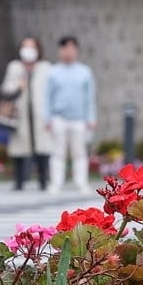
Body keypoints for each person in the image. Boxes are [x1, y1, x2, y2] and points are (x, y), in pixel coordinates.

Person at [45, 36, 96, 193]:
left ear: (76, 50)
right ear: (60, 51)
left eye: (72, 48)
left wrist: (91, 118)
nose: (68, 52)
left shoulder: (85, 72)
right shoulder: (53, 72)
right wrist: (47, 118)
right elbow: (47, 96)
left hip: (79, 118)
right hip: (59, 117)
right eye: (65, 48)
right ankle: (56, 182)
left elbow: (90, 97)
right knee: (57, 152)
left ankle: (81, 181)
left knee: (79, 152)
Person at [0, 37, 53, 190]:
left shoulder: (46, 67)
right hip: (19, 113)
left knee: (42, 148)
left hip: (40, 113)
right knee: (19, 148)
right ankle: (19, 181)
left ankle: (43, 180)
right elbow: (6, 89)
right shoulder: (14, 66)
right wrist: (18, 87)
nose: (28, 50)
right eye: (25, 46)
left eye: (32, 47)